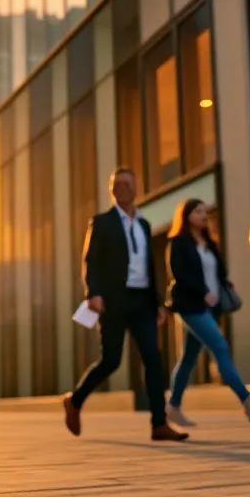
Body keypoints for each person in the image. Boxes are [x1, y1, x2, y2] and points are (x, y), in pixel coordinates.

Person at [63, 167, 188, 441]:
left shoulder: (144, 225)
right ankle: (75, 400)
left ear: (136, 188)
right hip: (113, 300)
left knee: (153, 359)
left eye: (127, 184)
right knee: (111, 360)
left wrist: (158, 304)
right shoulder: (101, 222)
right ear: (111, 190)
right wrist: (93, 293)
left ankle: (159, 424)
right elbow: (90, 260)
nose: (122, 188)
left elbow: (150, 266)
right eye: (117, 184)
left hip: (142, 301)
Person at [164, 198, 250, 428]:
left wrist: (225, 285)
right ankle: (248, 402)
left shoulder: (210, 244)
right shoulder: (178, 243)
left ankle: (172, 407)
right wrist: (203, 292)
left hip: (211, 307)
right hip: (191, 306)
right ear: (186, 216)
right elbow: (179, 275)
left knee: (188, 358)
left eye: (205, 211)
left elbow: (219, 272)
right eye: (198, 212)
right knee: (220, 347)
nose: (204, 215)